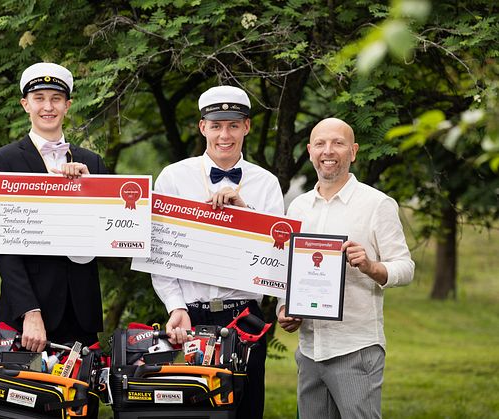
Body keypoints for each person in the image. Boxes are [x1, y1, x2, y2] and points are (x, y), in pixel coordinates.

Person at [151, 85, 284, 419]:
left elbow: (275, 256)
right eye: (216, 125)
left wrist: (245, 213)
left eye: (233, 125)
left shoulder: (266, 183)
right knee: (192, 410)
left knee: (246, 408)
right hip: (189, 317)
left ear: (247, 127)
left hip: (244, 317)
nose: (225, 135)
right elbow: (161, 254)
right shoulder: (173, 177)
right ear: (202, 127)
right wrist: (175, 307)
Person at [277, 117, 415, 419]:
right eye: (321, 144)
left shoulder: (377, 204)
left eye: (338, 143)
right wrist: (284, 307)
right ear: (310, 150)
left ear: (353, 151)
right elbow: (288, 270)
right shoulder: (297, 208)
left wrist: (370, 266)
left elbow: (406, 268)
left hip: (356, 348)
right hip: (310, 348)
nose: (329, 150)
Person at [0, 62, 107, 352]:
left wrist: (91, 190)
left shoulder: (93, 163)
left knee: (78, 397)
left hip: (81, 314)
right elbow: (4, 248)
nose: (48, 107)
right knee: (27, 396)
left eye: (55, 99)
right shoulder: (5, 161)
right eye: (39, 98)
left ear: (67, 105)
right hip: (27, 316)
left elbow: (111, 239)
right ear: (25, 104)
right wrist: (29, 311)